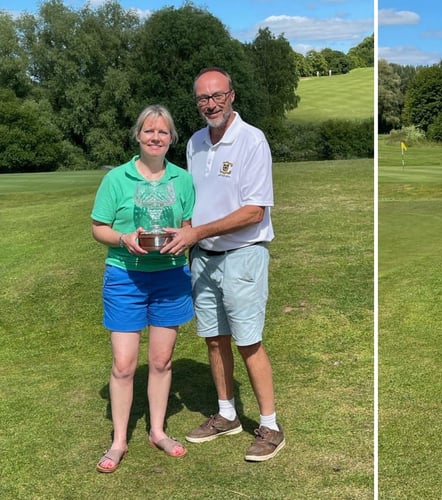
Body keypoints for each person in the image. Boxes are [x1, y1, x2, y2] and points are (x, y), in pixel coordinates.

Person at [162, 67, 285, 462]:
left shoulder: (252, 140)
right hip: (203, 257)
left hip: (243, 254)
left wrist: (197, 233)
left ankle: (270, 425)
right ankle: (227, 414)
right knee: (214, 339)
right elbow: (194, 201)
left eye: (217, 96)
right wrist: (183, 231)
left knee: (248, 340)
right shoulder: (196, 142)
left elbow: (254, 211)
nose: (210, 104)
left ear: (232, 95)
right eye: (202, 98)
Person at [91, 104, 195, 473]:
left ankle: (157, 430)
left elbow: (187, 224)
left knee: (162, 360)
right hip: (125, 277)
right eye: (149, 131)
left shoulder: (182, 179)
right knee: (124, 364)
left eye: (163, 132)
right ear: (138, 135)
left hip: (170, 276)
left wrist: (180, 238)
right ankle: (119, 440)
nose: (155, 137)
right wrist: (123, 238)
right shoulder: (116, 179)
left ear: (171, 139)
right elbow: (98, 227)